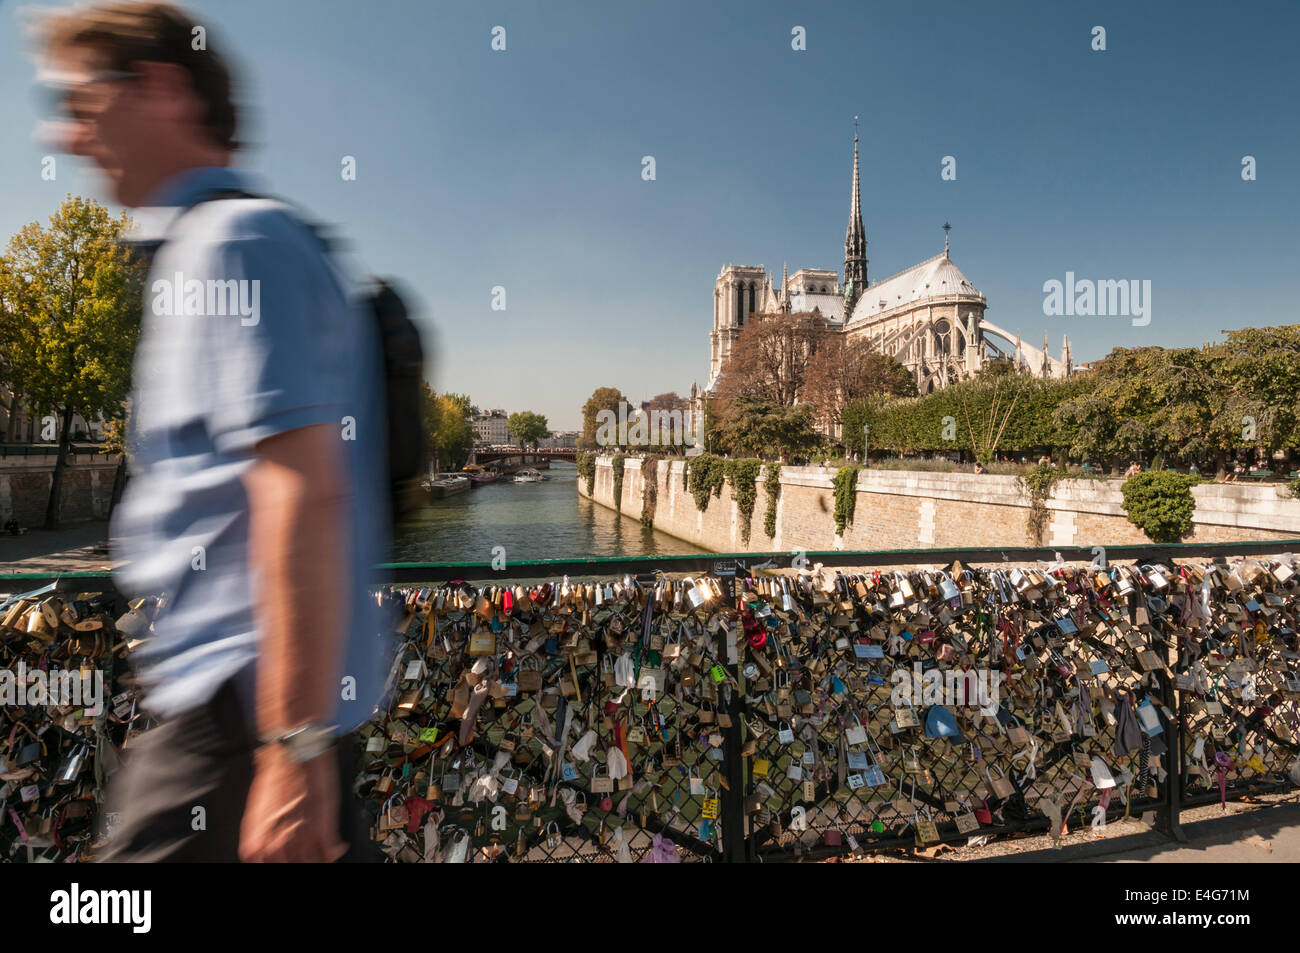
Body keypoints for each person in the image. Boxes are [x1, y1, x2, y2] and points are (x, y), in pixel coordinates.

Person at [36, 1, 391, 862]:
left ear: (160, 88)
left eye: (81, 104)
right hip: (240, 723)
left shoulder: (236, 241)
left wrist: (292, 748)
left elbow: (299, 488)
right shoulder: (221, 243)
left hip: (233, 727)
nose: (68, 138)